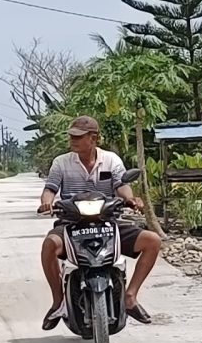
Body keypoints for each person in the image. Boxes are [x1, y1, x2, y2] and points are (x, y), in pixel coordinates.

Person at [36, 115, 162, 330]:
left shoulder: (111, 160)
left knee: (152, 241)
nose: (73, 140)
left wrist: (130, 199)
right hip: (71, 222)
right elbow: (50, 188)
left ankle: (130, 297)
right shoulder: (61, 162)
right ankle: (59, 302)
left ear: (93, 138)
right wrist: (46, 202)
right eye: (71, 136)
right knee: (49, 245)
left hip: (107, 221)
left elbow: (121, 184)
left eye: (79, 136)